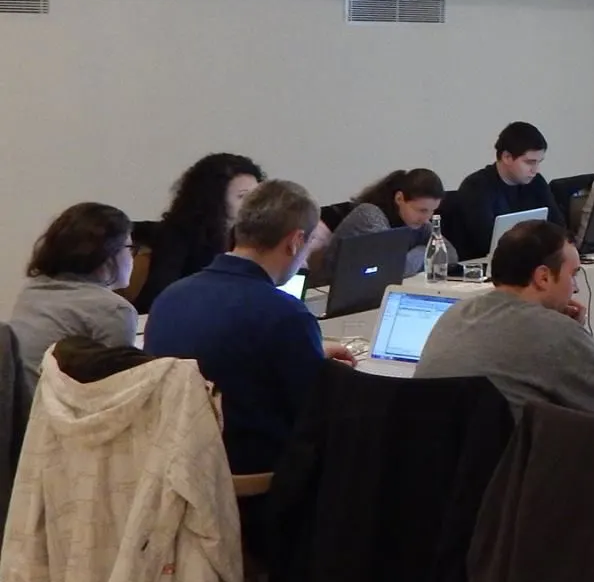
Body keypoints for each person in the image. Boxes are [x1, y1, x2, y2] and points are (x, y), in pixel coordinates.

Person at [143, 180, 354, 474]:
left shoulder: (170, 298)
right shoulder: (285, 314)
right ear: (295, 241)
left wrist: (312, 351)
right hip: (254, 476)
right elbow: (314, 414)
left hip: (176, 466)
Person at [414, 220, 594, 418]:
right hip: (510, 457)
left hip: (431, 454)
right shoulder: (554, 332)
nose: (575, 288)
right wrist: (573, 337)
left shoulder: (454, 313)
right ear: (543, 277)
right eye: (573, 274)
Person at [9, 204, 139, 391]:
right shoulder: (114, 309)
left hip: (20, 404)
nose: (132, 256)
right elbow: (118, 392)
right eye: (129, 247)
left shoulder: (33, 290)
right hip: (55, 407)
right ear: (107, 253)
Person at [132, 152, 265, 312]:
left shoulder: (253, 235)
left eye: (257, 196)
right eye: (242, 196)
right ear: (215, 199)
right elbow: (161, 294)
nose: (254, 204)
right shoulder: (178, 235)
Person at [443, 122, 565, 261]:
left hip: (525, 260)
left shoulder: (536, 182)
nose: (535, 170)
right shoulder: (476, 187)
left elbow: (558, 227)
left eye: (539, 162)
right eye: (529, 162)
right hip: (483, 265)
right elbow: (486, 242)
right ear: (506, 157)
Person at [308, 168, 444, 286]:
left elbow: (448, 253)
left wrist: (429, 250)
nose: (427, 218)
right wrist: (425, 250)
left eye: (432, 211)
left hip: (364, 291)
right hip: (326, 293)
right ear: (399, 198)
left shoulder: (416, 221)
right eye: (422, 210)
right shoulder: (369, 216)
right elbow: (392, 270)